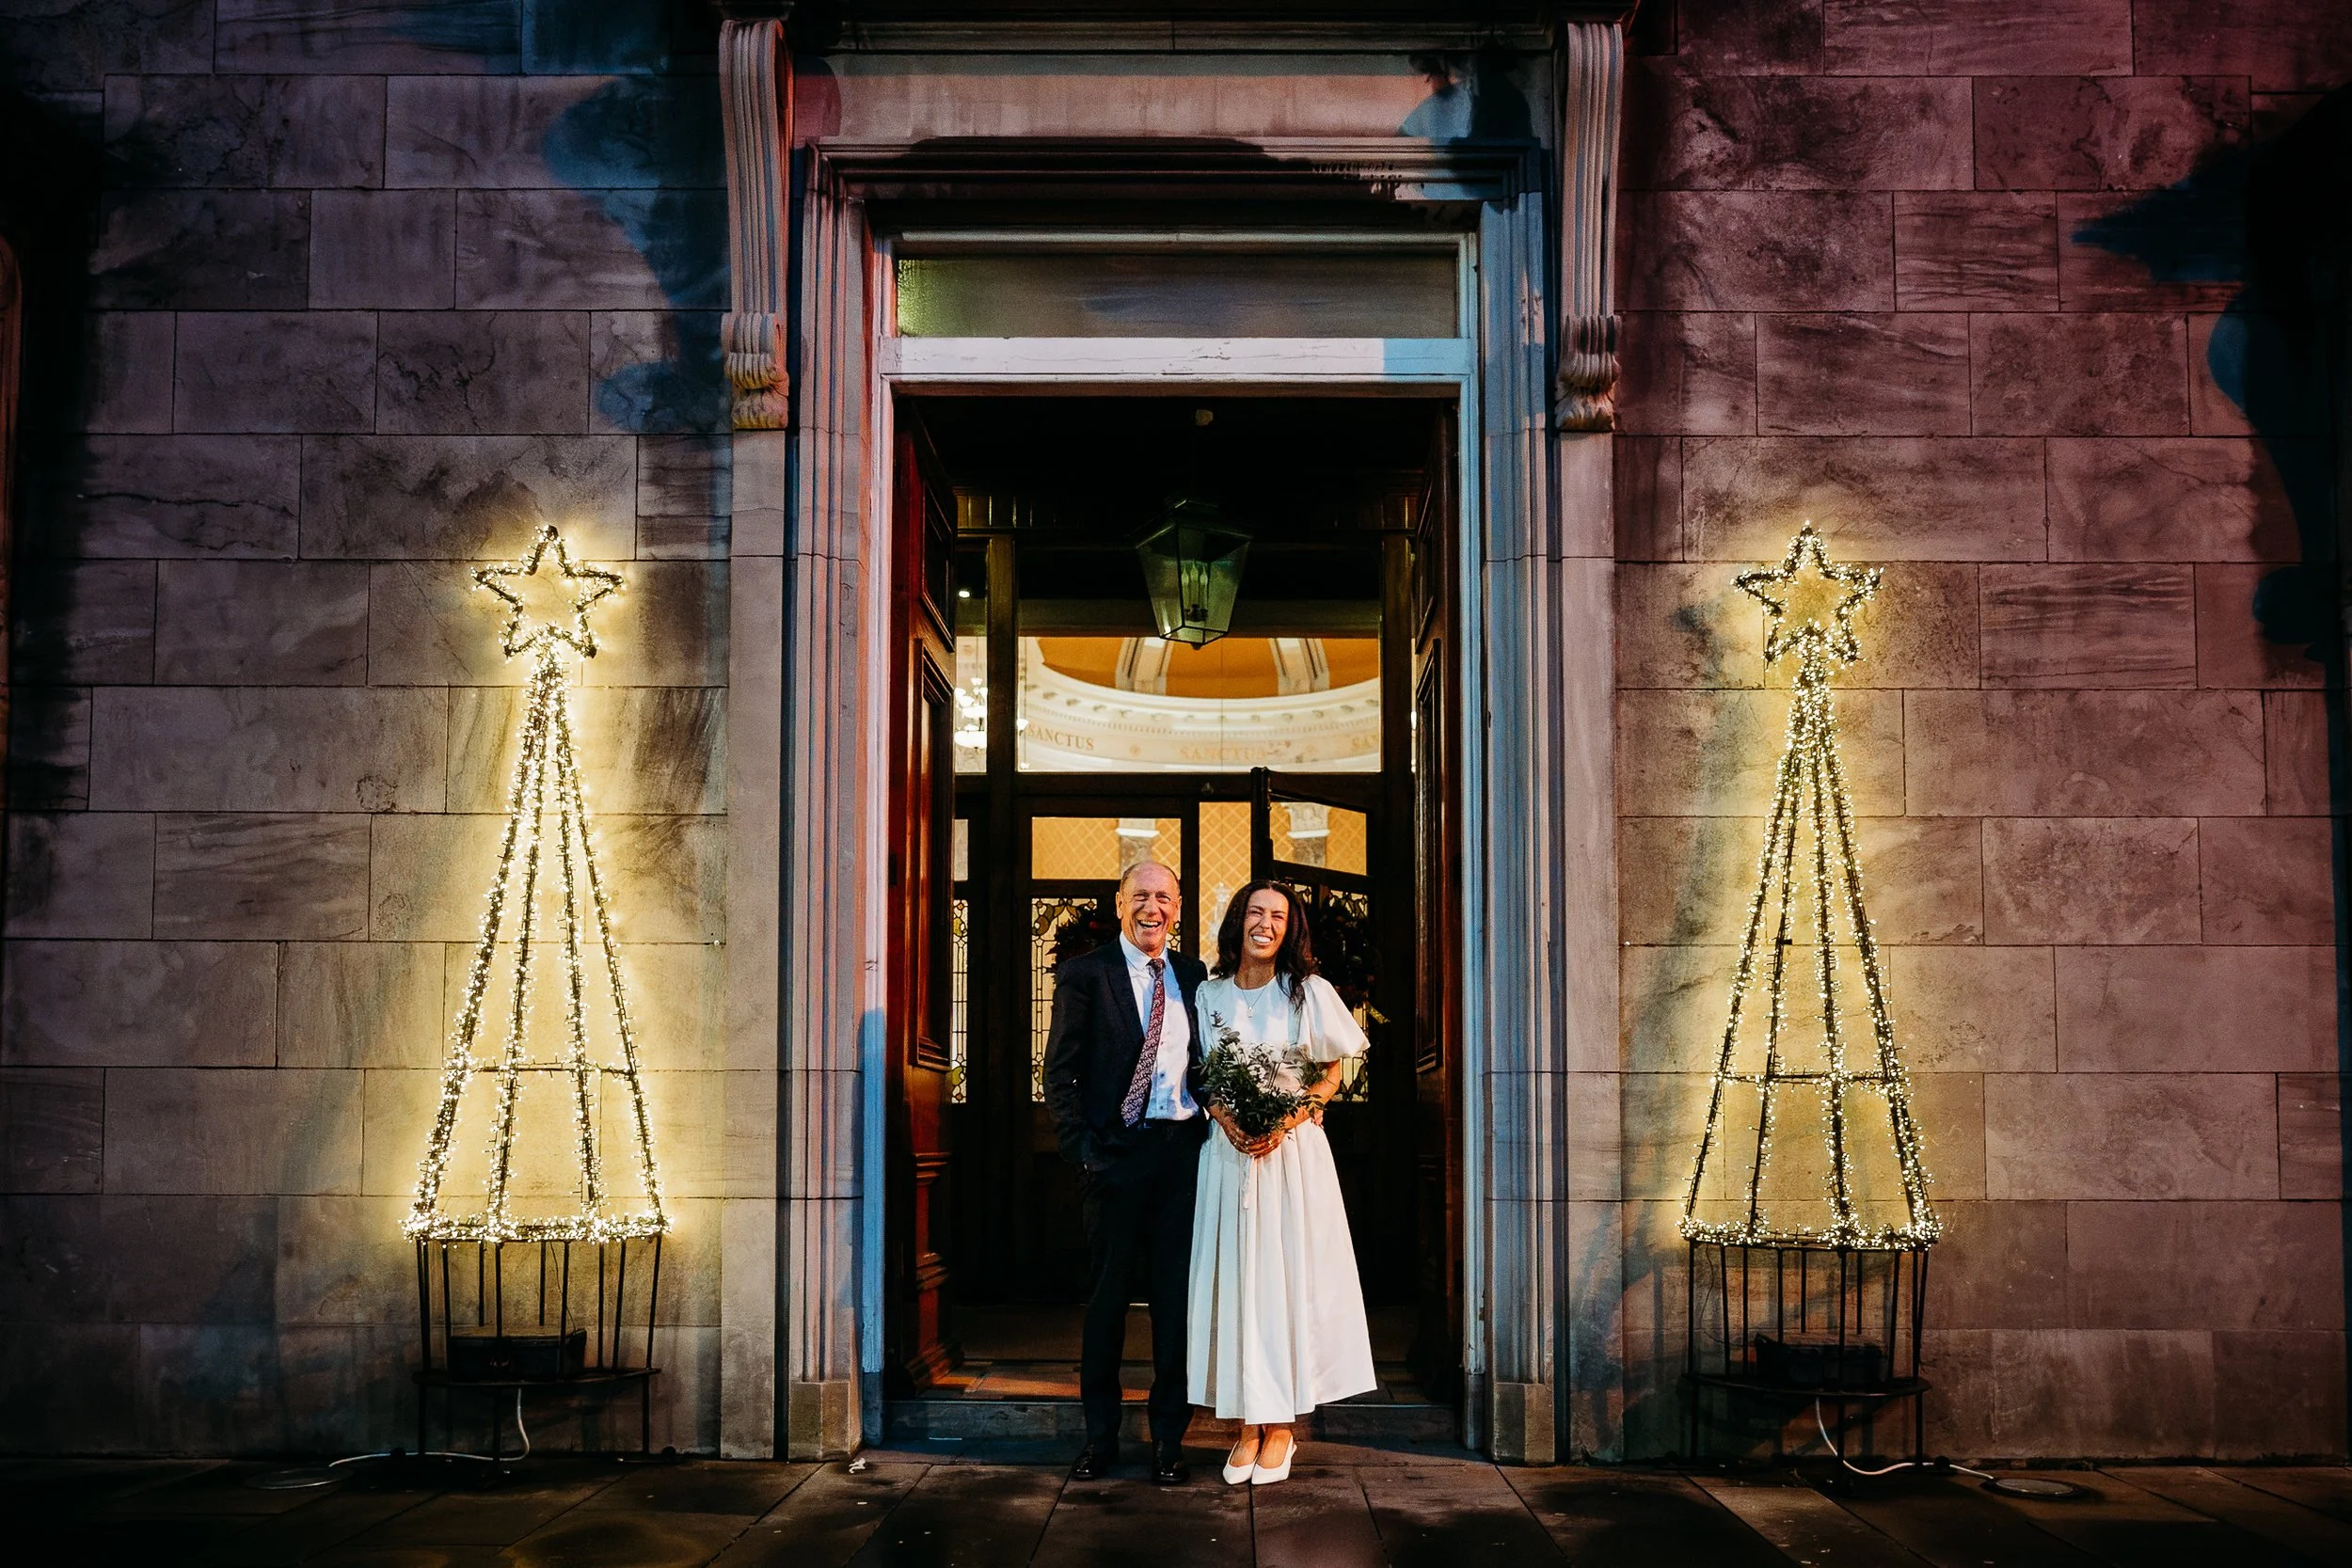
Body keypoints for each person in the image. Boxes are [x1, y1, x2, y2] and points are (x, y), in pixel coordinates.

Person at [1187, 880, 1375, 1486]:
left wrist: (1282, 1120)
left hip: (1290, 1158)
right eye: (1253, 912)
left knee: (1284, 1283)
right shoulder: (1208, 994)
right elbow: (1201, 1076)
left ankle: (1283, 1425)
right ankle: (1245, 1420)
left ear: (1290, 929)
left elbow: (1331, 1075)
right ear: (1237, 921)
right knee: (1238, 1285)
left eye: (1277, 916)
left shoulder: (1307, 993)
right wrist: (1228, 1120)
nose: (1264, 923)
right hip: (1226, 1157)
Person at [1041, 859, 1209, 1485]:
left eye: (1164, 896)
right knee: (1108, 1303)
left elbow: (1205, 1060)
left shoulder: (1193, 974)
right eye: (1141, 895)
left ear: (1178, 906)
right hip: (1112, 1156)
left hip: (1180, 1157)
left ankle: (1169, 1440)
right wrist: (1081, 1148)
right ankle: (1100, 1438)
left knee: (1173, 1304)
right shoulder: (1087, 974)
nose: (1152, 907)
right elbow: (1058, 1070)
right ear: (1120, 903)